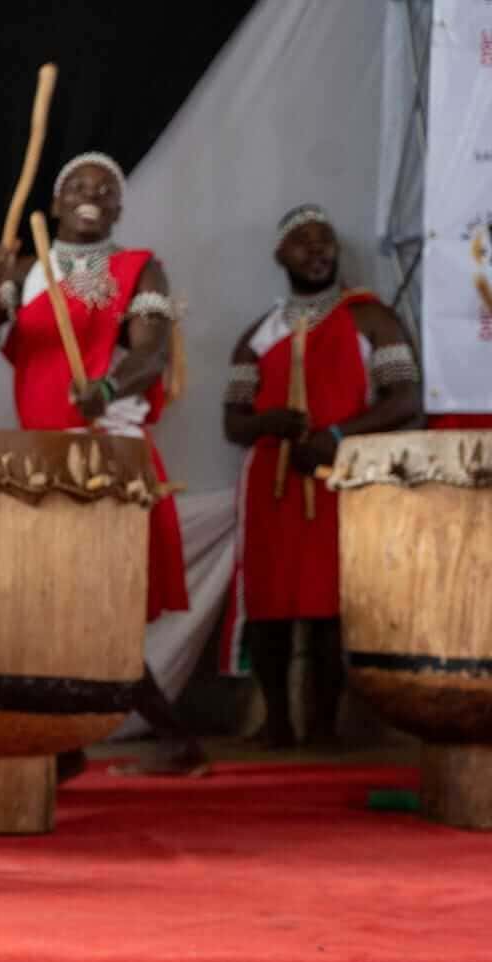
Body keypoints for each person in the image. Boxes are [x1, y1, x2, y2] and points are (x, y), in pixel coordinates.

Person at [0, 151, 206, 778]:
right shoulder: (26, 270)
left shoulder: (139, 270)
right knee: (58, 598)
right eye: (79, 186)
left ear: (120, 207)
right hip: (38, 460)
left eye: (106, 189)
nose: (93, 195)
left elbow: (150, 354)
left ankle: (165, 736)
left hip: (105, 454)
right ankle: (74, 744)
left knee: (97, 600)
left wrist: (110, 388)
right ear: (56, 204)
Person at [222, 205, 421, 747]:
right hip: (272, 482)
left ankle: (326, 727)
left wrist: (334, 437)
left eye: (326, 241)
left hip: (341, 476)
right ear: (280, 255)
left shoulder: (371, 318)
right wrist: (270, 421)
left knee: (330, 601)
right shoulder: (257, 336)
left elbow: (406, 399)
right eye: (303, 242)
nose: (317, 251)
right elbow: (232, 420)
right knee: (269, 603)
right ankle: (278, 724)